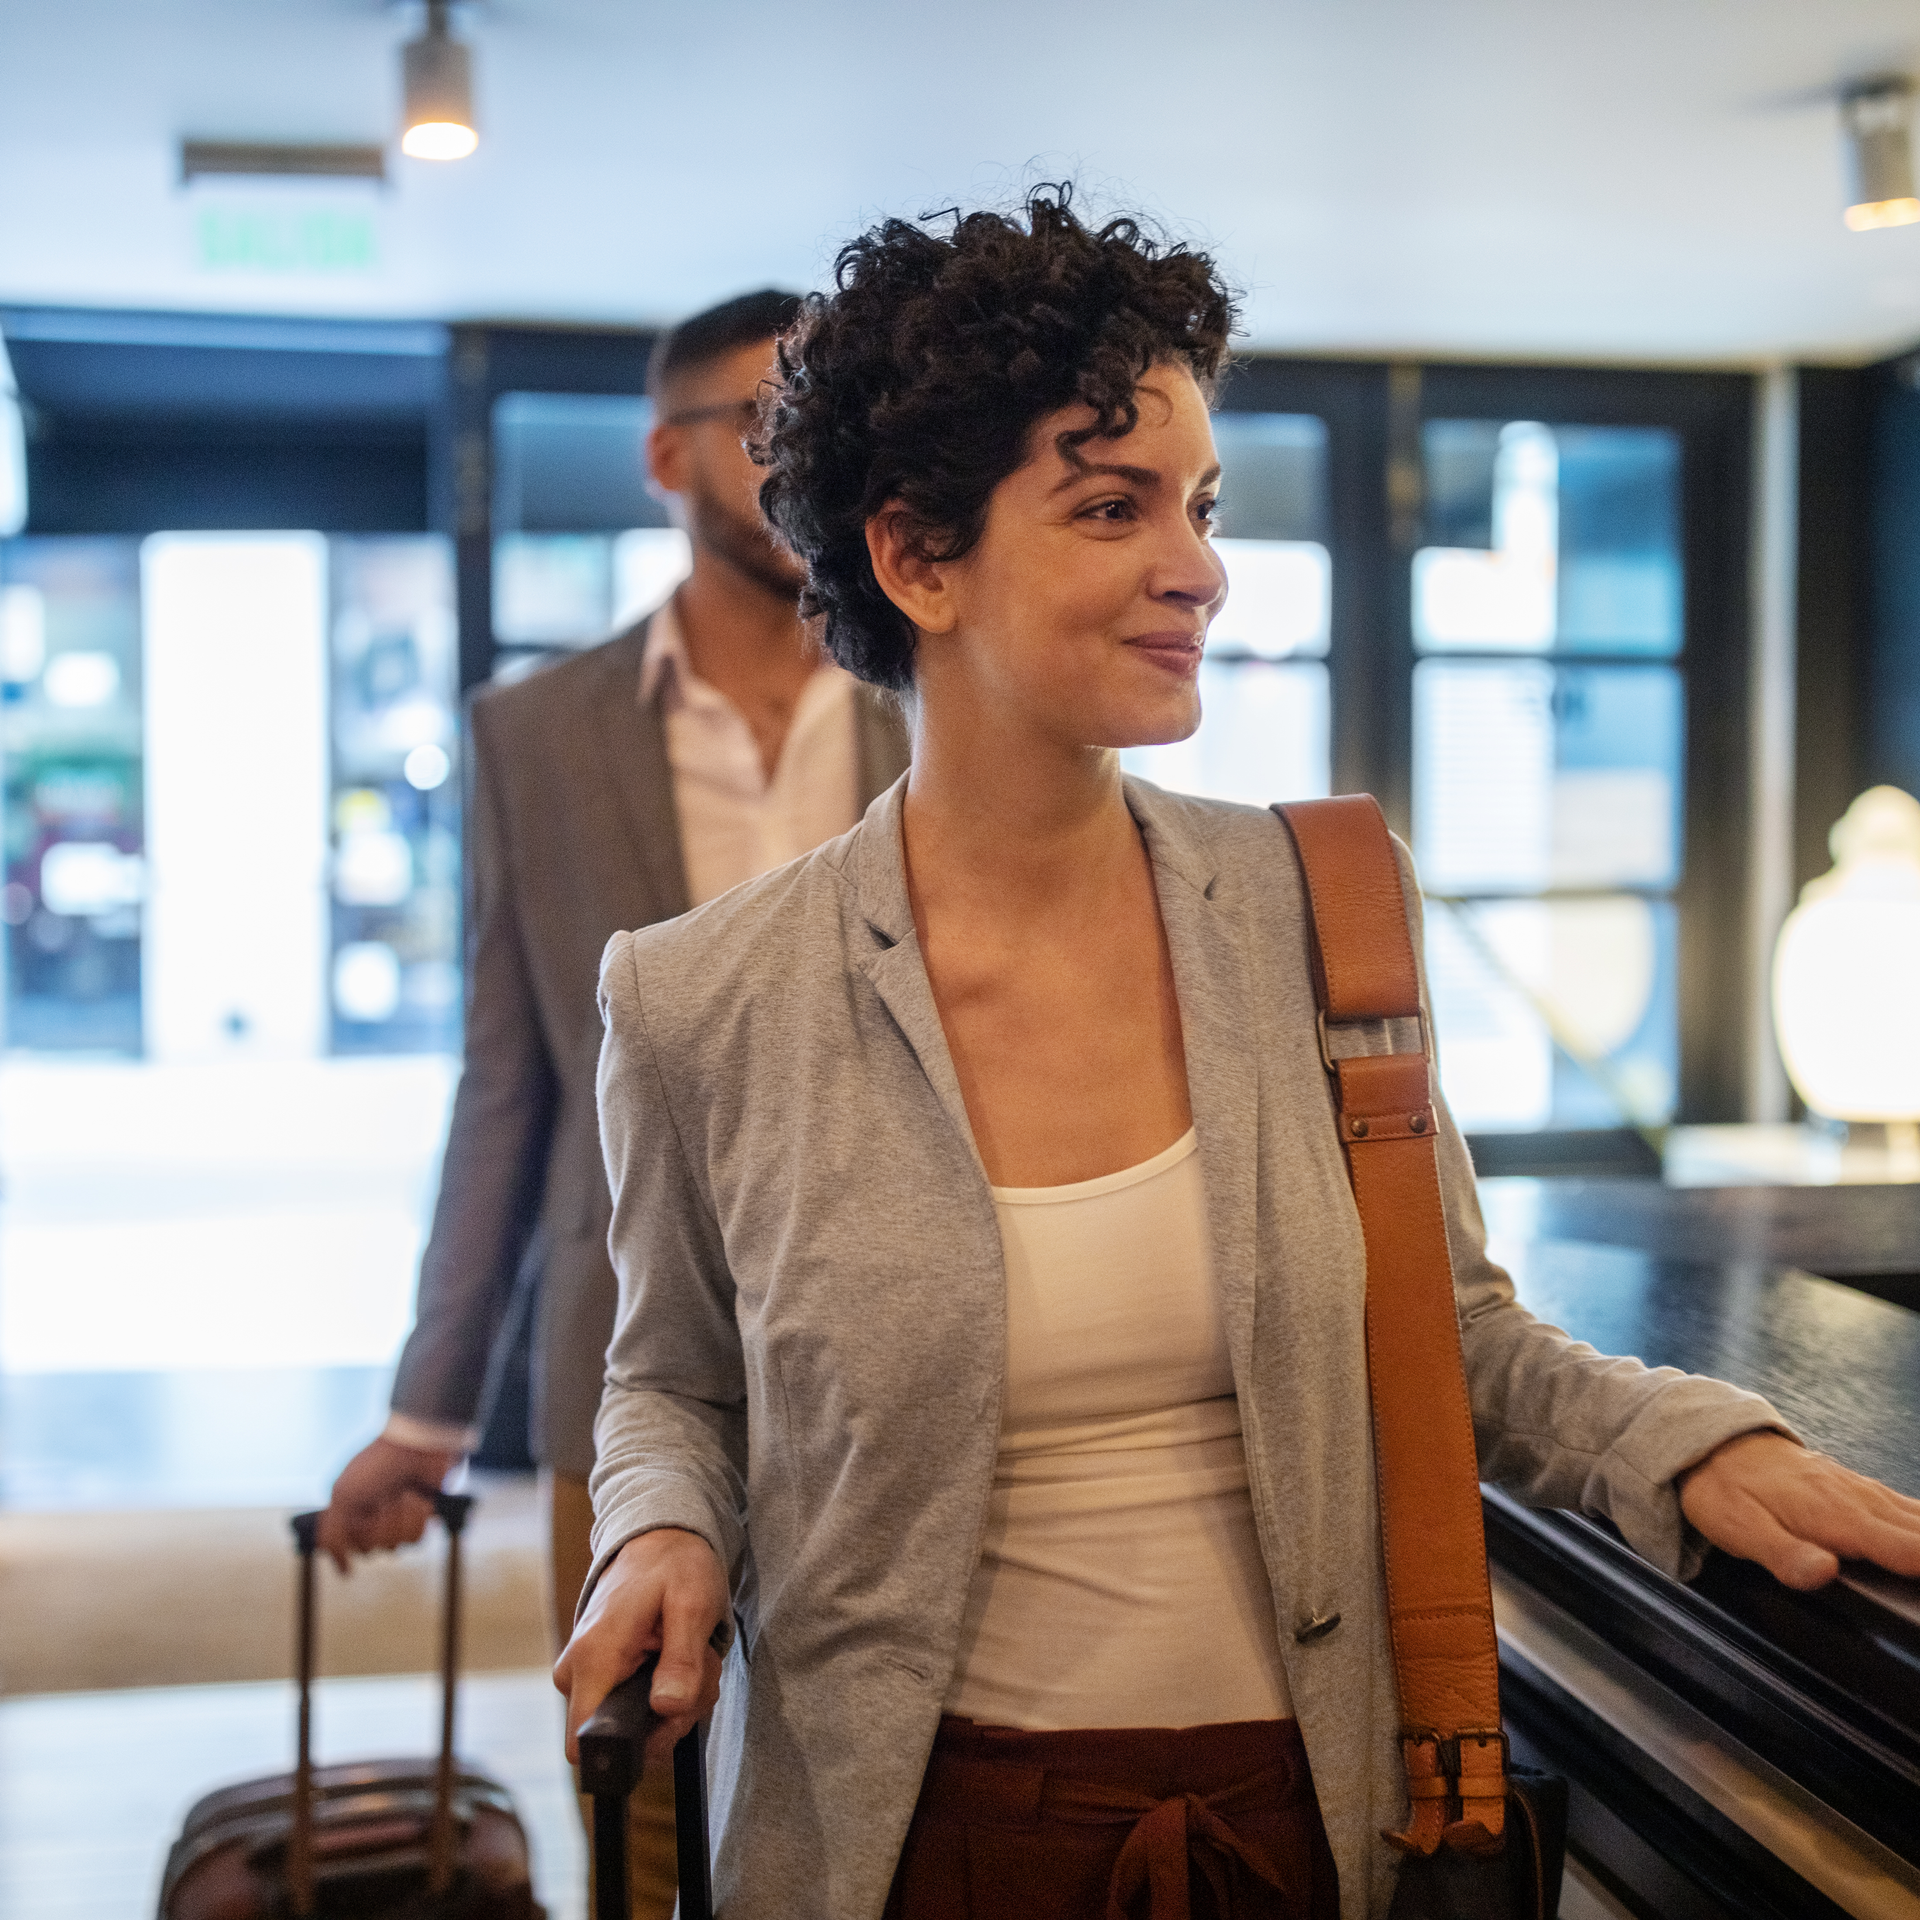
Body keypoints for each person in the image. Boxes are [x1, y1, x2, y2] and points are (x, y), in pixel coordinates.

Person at [553, 196, 1920, 1920]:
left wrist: (1697, 1445)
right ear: (917, 559)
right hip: (903, 1843)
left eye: (1199, 506)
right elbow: (672, 1381)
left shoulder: (1321, 905)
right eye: (1111, 507)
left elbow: (1454, 1330)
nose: (1197, 565)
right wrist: (661, 1528)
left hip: (1310, 1824)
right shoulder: (702, 997)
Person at [316, 288, 909, 1916]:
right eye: (763, 423)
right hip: (629, 1350)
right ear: (665, 454)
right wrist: (430, 1414)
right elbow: (507, 1081)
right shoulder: (533, 734)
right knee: (642, 1789)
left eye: (828, 427)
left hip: (910, 1337)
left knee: (890, 1774)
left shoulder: (936, 696)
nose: (806, 462)